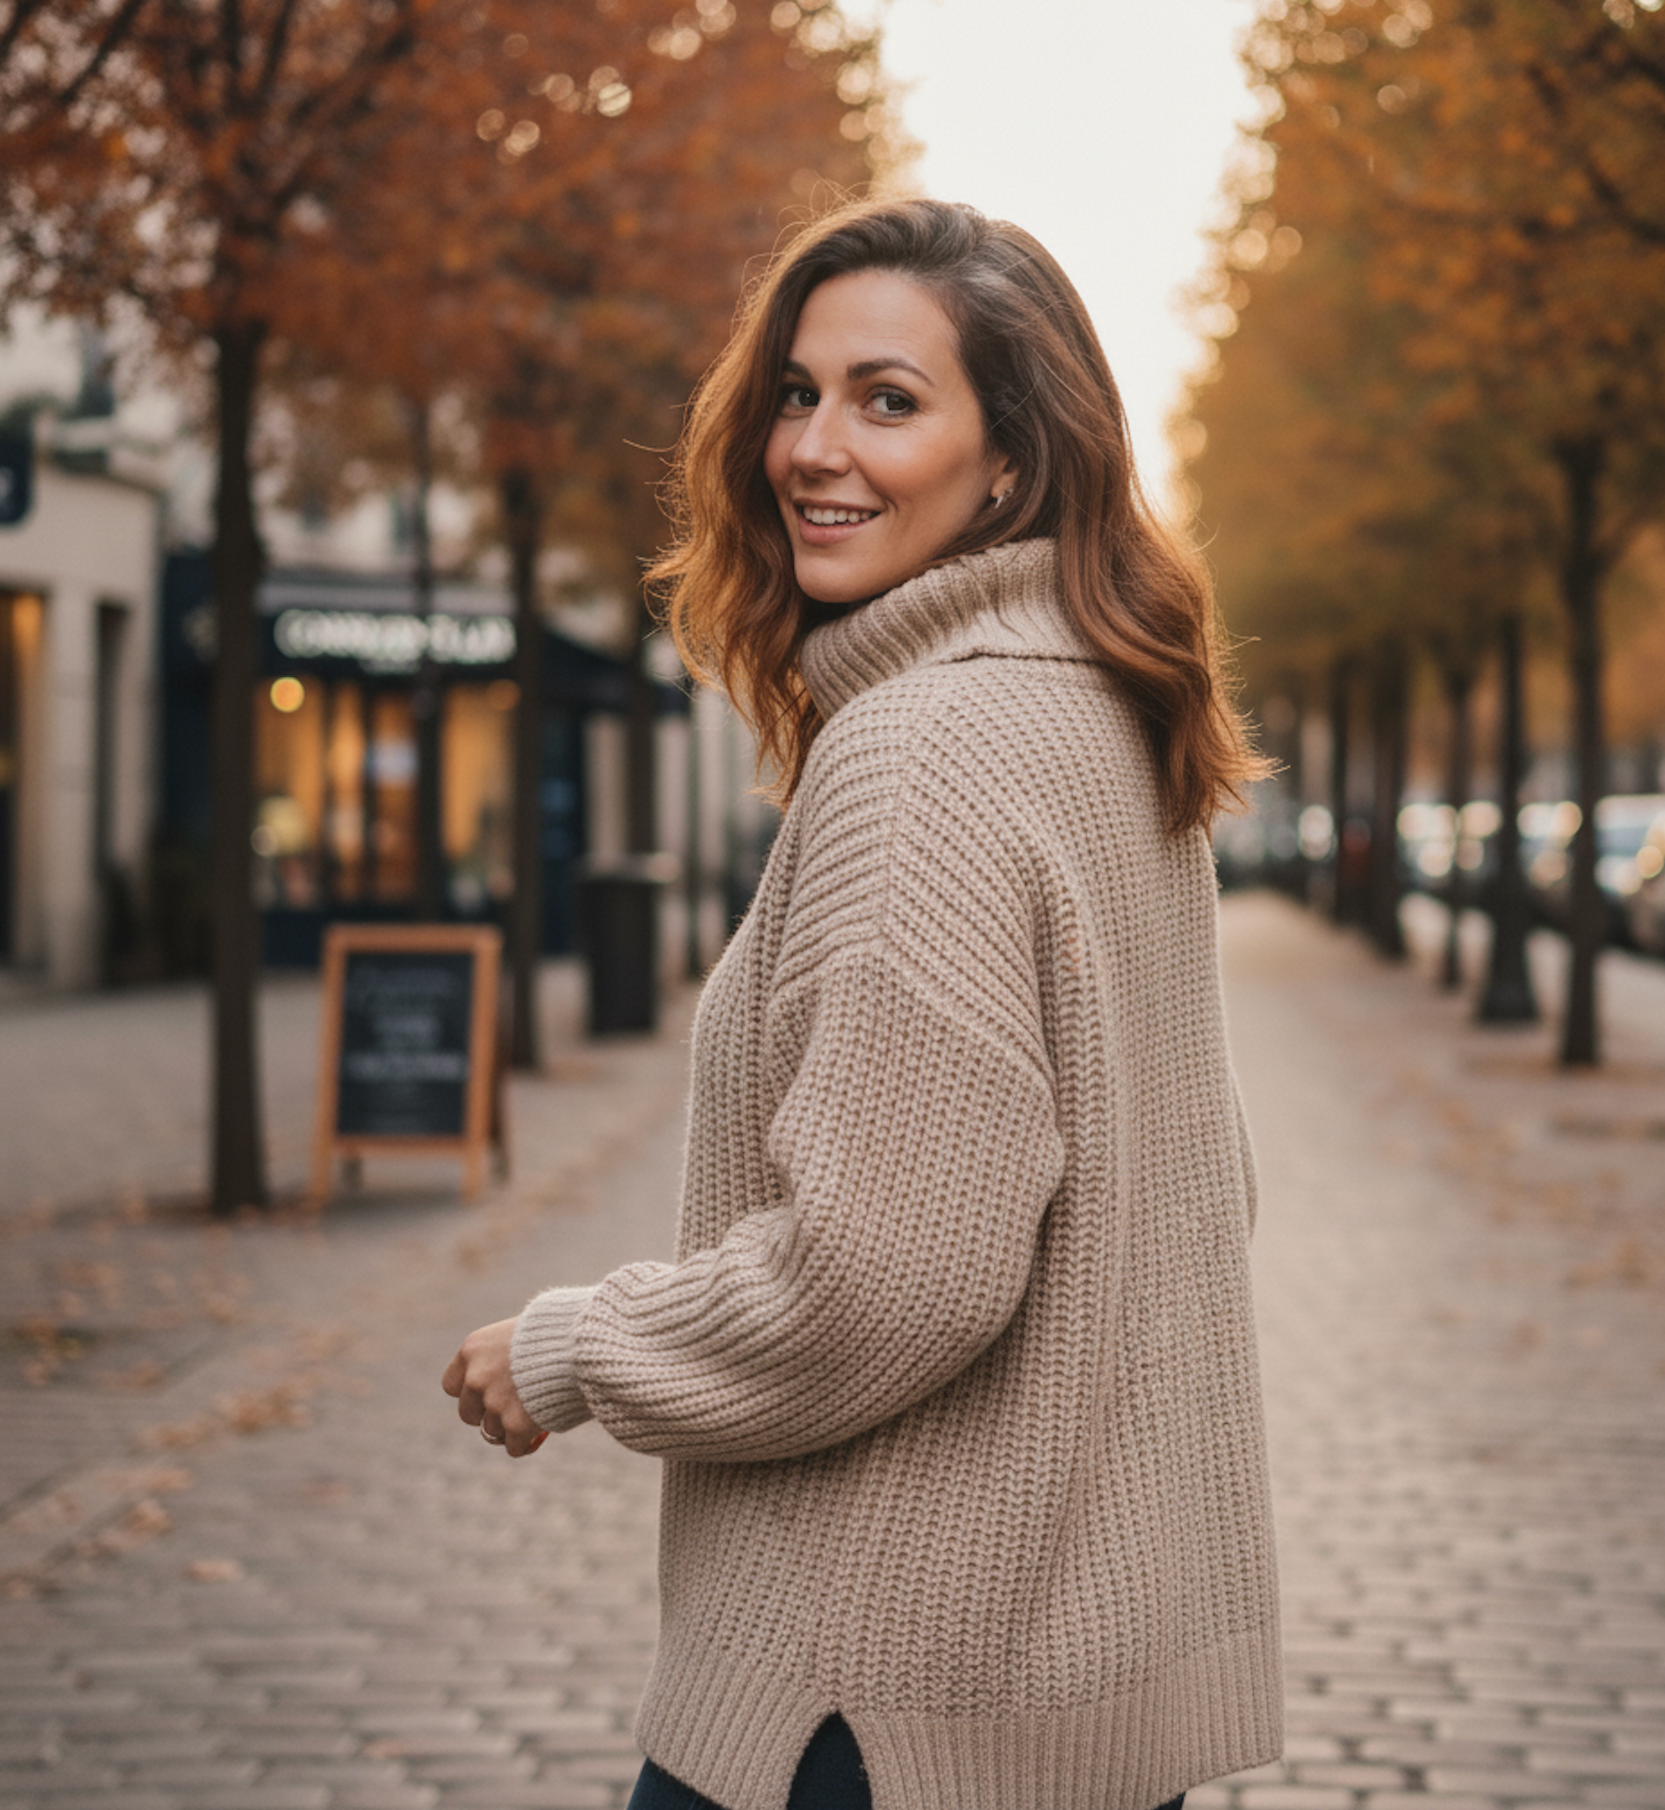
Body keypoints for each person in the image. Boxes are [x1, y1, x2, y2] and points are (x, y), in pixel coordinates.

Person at [443, 195, 1283, 1810]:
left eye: (888, 401)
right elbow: (1203, 1182)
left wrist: (570, 1347)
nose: (812, 446)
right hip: (1073, 1710)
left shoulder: (923, 757)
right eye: (796, 392)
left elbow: (879, 1276)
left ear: (1014, 463)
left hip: (870, 1712)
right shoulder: (1109, 723)